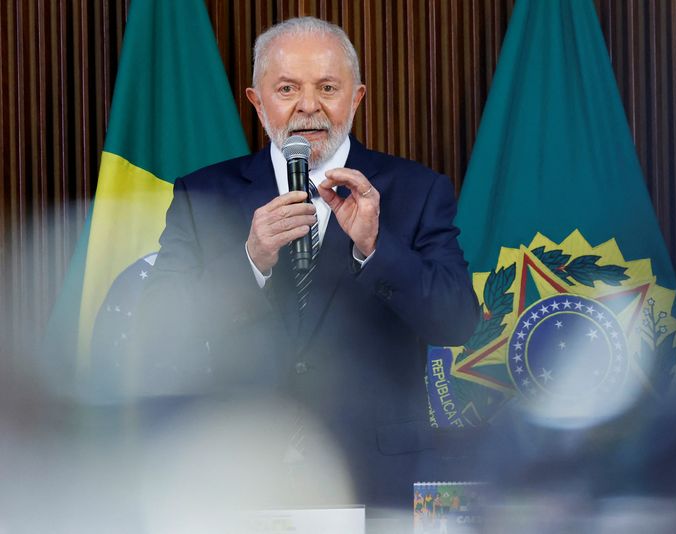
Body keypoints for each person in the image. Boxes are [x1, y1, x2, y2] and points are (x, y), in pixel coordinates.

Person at [134, 17, 479, 506]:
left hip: (375, 475)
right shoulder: (202, 193)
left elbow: (457, 322)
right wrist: (250, 259)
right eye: (288, 88)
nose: (309, 106)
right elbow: (159, 328)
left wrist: (376, 248)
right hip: (239, 473)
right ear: (257, 101)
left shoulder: (418, 189)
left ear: (356, 97)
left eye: (328, 87)